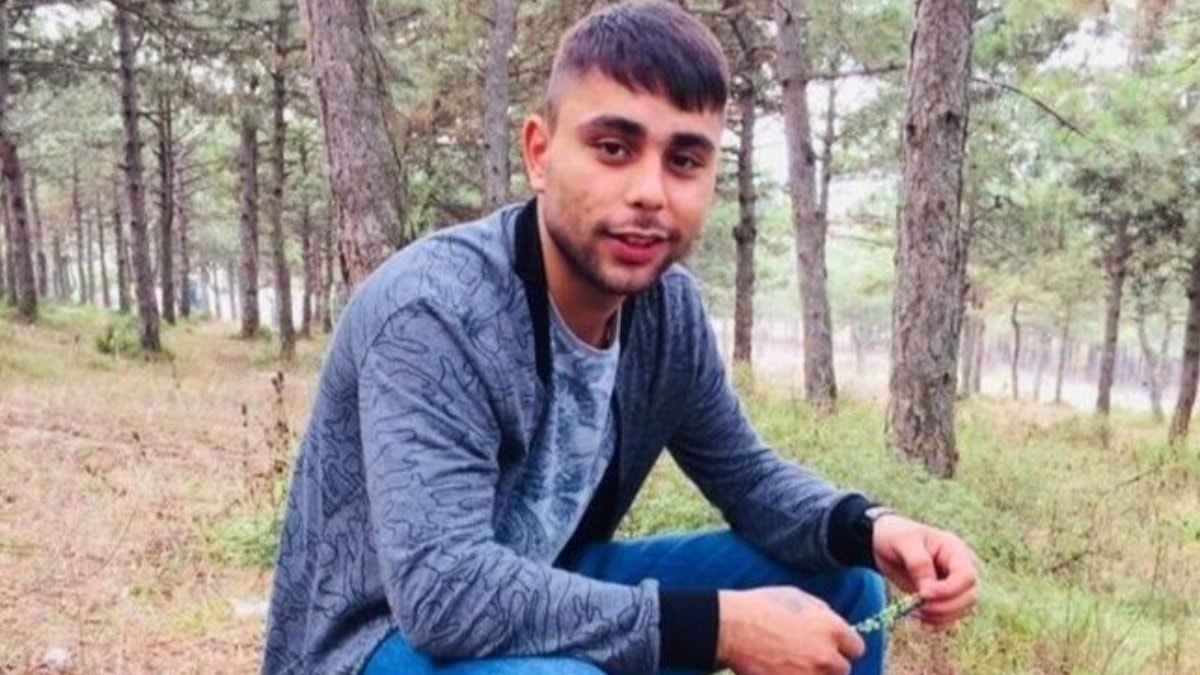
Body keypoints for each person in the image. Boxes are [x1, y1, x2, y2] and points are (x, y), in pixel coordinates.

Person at [262, 2, 979, 674]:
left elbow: (746, 477)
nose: (649, 193)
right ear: (540, 152)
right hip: (376, 637)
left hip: (544, 579)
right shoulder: (436, 311)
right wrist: (718, 626)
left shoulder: (666, 312)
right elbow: (442, 594)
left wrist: (869, 527)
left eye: (684, 160)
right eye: (613, 148)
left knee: (843, 584)